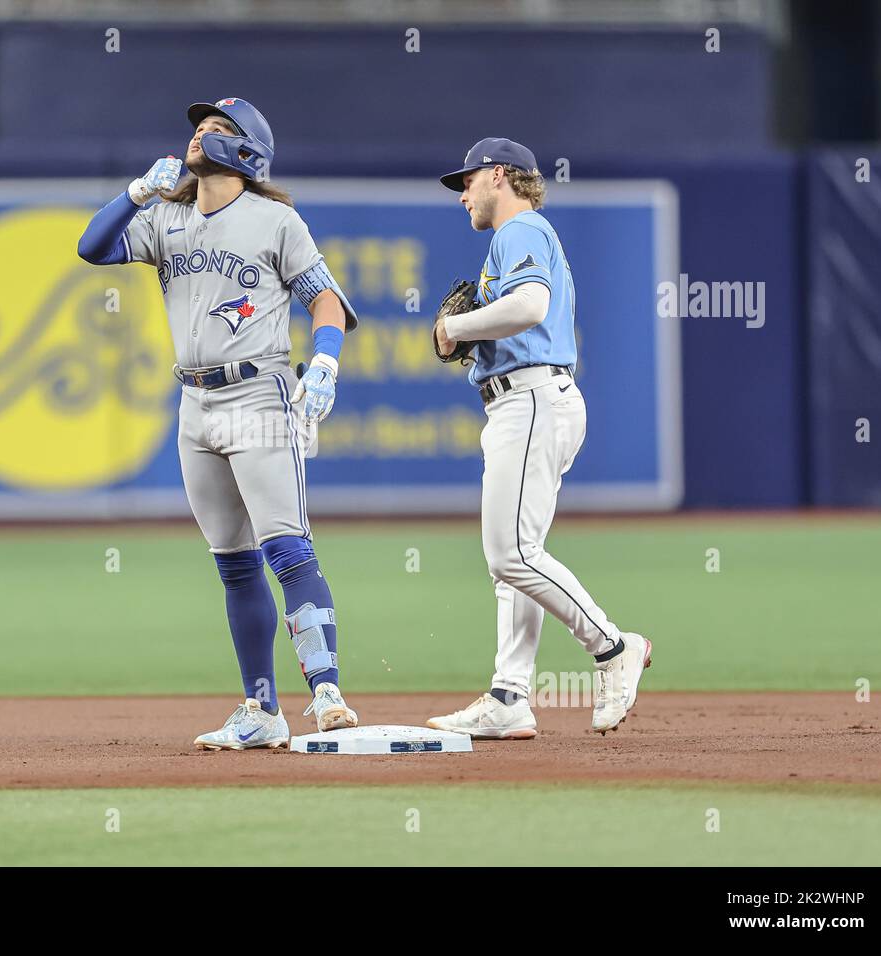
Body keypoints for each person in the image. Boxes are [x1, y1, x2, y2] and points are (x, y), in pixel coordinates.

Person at [77, 97, 360, 750]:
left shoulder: (275, 219)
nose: (200, 134)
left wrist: (325, 360)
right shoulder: (166, 217)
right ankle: (262, 710)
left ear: (247, 151)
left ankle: (327, 692)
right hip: (194, 405)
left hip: (258, 394)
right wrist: (133, 194)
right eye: (198, 126)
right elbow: (92, 247)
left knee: (286, 548)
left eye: (217, 128)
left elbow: (326, 298)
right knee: (234, 565)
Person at [426, 138, 652, 740]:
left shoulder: (520, 229)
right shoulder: (522, 236)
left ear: (500, 175)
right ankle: (509, 696)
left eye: (468, 181)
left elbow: (529, 305)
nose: (463, 195)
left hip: (529, 400)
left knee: (512, 555)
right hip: (529, 401)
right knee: (516, 560)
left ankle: (612, 648)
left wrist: (455, 326)